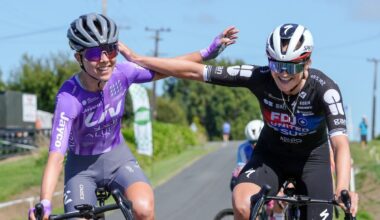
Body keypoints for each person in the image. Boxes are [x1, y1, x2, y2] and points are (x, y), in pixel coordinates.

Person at [120, 23, 358, 219]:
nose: (283, 74)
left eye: (290, 66)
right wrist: (139, 58)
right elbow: (194, 71)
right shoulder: (259, 77)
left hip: (311, 160)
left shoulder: (325, 89)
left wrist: (343, 187)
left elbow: (340, 144)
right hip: (271, 155)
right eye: (276, 64)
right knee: (243, 204)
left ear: (307, 62)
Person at [28, 13, 238, 220]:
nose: (104, 60)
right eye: (93, 54)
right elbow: (56, 156)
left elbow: (168, 67)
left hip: (118, 159)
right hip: (82, 169)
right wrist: (45, 202)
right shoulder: (68, 98)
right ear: (79, 58)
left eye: (110, 50)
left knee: (144, 209)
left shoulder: (122, 73)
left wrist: (207, 52)